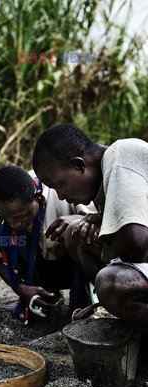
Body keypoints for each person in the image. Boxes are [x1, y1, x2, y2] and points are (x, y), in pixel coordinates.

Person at [32, 123, 148, 334]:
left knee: (111, 282)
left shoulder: (119, 156)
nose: (60, 196)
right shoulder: (105, 182)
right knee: (76, 233)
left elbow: (135, 243)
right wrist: (105, 222)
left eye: (60, 185)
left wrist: (111, 238)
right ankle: (130, 318)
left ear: (79, 165)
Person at [0, 166, 95, 323]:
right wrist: (21, 289)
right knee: (0, 230)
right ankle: (45, 295)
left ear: (39, 198)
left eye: (22, 216)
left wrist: (78, 220)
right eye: (8, 219)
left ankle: (82, 305)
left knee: (77, 230)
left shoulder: (62, 194)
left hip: (71, 267)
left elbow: (100, 224)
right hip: (38, 266)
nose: (15, 224)